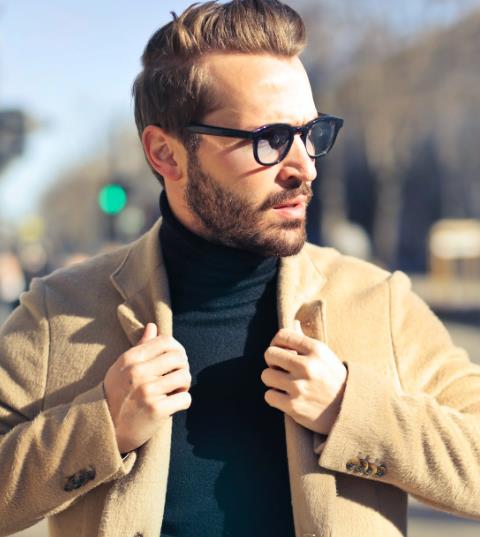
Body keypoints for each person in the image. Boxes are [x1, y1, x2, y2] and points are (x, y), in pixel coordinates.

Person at [1, 1, 479, 536]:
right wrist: (100, 427)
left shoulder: (378, 301)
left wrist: (354, 411)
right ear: (166, 154)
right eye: (270, 139)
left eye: (311, 133)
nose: (304, 167)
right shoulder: (60, 312)